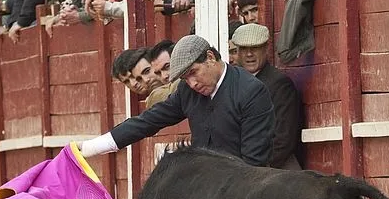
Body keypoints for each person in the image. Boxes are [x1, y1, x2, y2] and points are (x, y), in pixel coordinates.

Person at [80, 35, 275, 167]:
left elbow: (253, 163)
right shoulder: (187, 90)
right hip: (203, 184)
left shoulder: (251, 91)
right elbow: (149, 121)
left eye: (193, 73)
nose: (192, 83)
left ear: (209, 57)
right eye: (184, 79)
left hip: (240, 189)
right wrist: (92, 147)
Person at [231, 23, 301, 169]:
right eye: (244, 49)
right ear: (237, 51)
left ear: (266, 49)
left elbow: (284, 139)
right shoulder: (233, 83)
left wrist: (255, 168)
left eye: (255, 48)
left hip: (274, 169)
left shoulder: (279, 84)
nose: (249, 54)